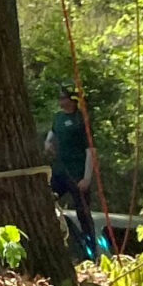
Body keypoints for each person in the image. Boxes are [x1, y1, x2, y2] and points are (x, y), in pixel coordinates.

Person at [45, 82, 98, 257]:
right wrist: (48, 143)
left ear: (72, 100)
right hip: (60, 172)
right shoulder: (58, 118)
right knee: (46, 200)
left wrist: (87, 178)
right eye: (59, 98)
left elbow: (91, 150)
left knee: (83, 213)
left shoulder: (81, 120)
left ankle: (91, 252)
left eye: (64, 98)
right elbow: (52, 133)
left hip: (77, 174)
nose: (61, 101)